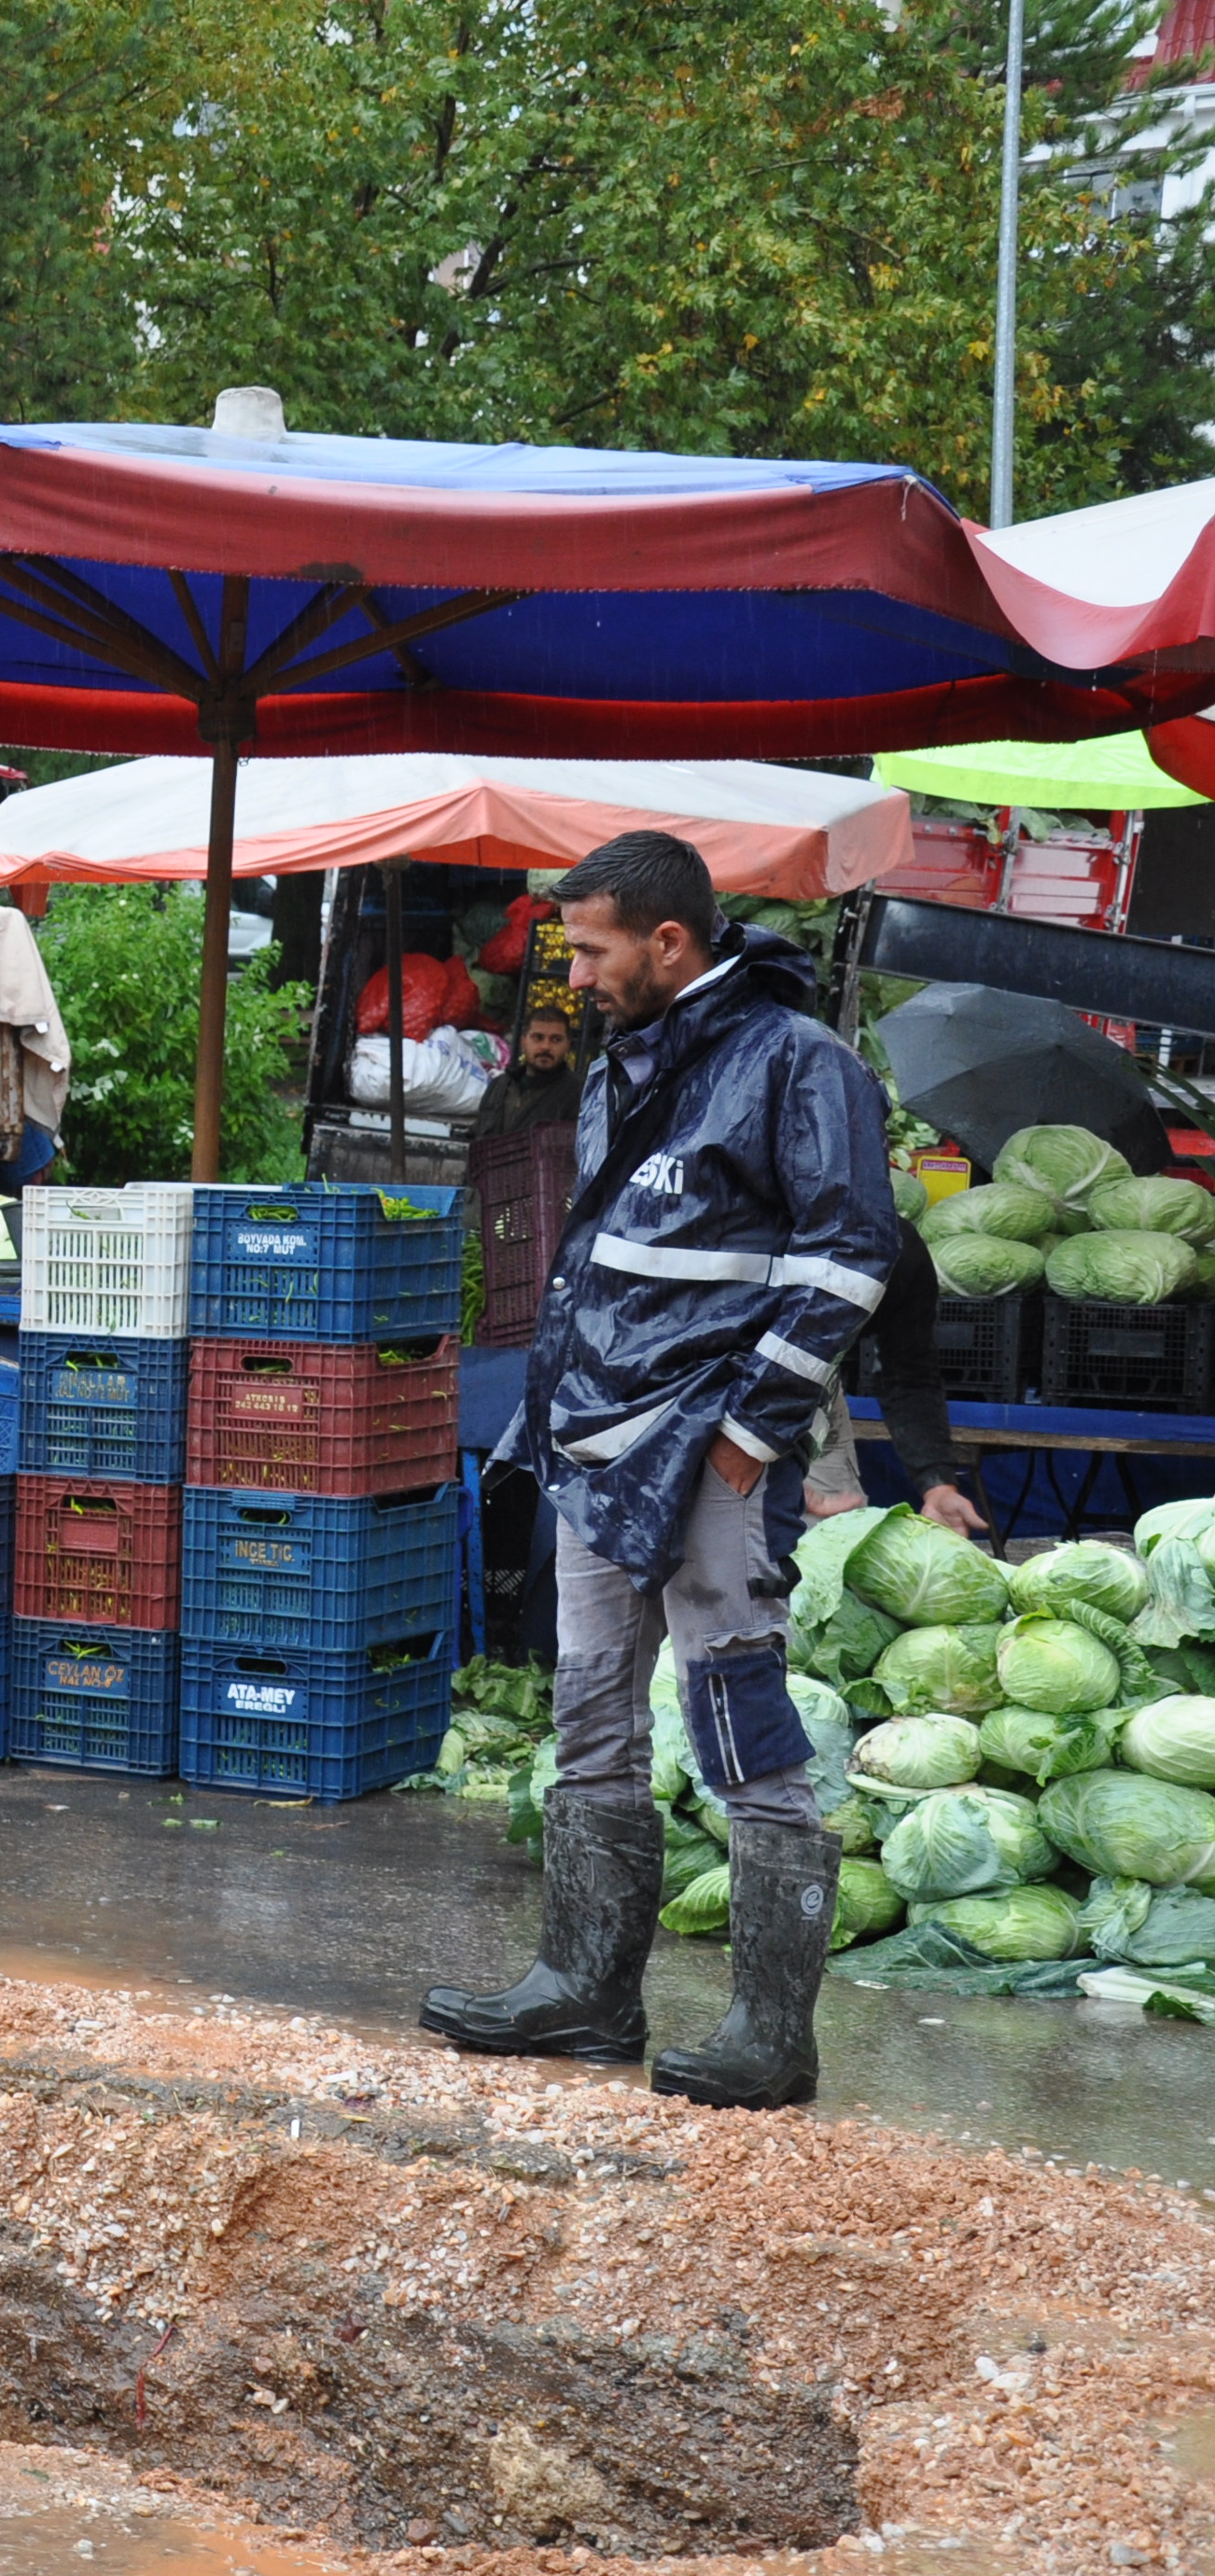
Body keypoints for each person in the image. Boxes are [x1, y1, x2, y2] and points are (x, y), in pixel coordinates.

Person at [426, 830, 899, 2112]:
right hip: (591, 1446)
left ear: (668, 942)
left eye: (590, 950)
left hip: (710, 1458)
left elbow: (853, 1252)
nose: (572, 977)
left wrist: (752, 1432)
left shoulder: (801, 1062)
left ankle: (770, 2033)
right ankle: (582, 1989)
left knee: (743, 1725)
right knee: (587, 1717)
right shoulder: (622, 1062)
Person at [803, 1218, 992, 1541]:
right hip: (706, 1372)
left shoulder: (903, 1251)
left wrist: (938, 1484)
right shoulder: (763, 1238)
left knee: (831, 1541)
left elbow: (909, 1374)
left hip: (814, 1379)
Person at [473, 1001, 582, 1141]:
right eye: (537, 1038)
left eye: (556, 1039)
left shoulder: (577, 1094)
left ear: (567, 1045)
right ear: (523, 1041)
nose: (545, 1047)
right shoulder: (499, 1086)